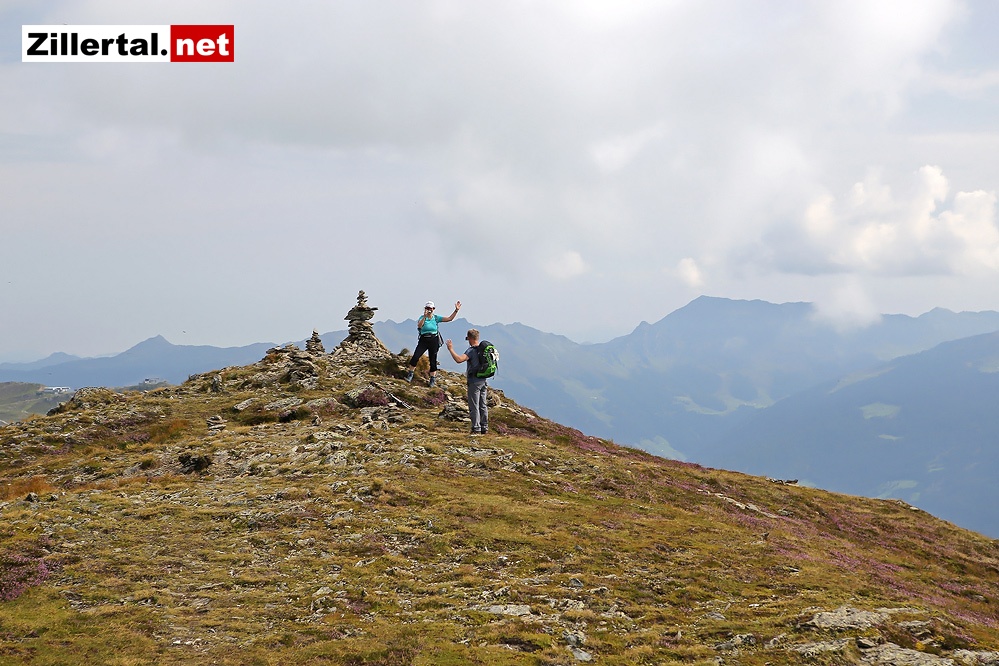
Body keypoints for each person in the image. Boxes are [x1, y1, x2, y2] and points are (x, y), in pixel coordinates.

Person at [405, 300, 461, 387]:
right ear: (425, 309)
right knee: (416, 356)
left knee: (433, 360)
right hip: (423, 340)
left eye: (431, 308)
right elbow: (419, 326)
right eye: (427, 308)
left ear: (433, 309)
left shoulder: (436, 318)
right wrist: (424, 316)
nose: (429, 310)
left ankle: (432, 379)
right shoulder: (422, 317)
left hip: (433, 340)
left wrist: (456, 310)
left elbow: (449, 319)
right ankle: (410, 374)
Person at [445, 329, 488, 435]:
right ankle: (484, 427)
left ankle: (476, 428)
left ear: (469, 338)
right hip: (483, 380)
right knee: (483, 404)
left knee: (474, 405)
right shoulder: (483, 350)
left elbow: (459, 359)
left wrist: (450, 349)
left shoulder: (471, 351)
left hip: (474, 381)